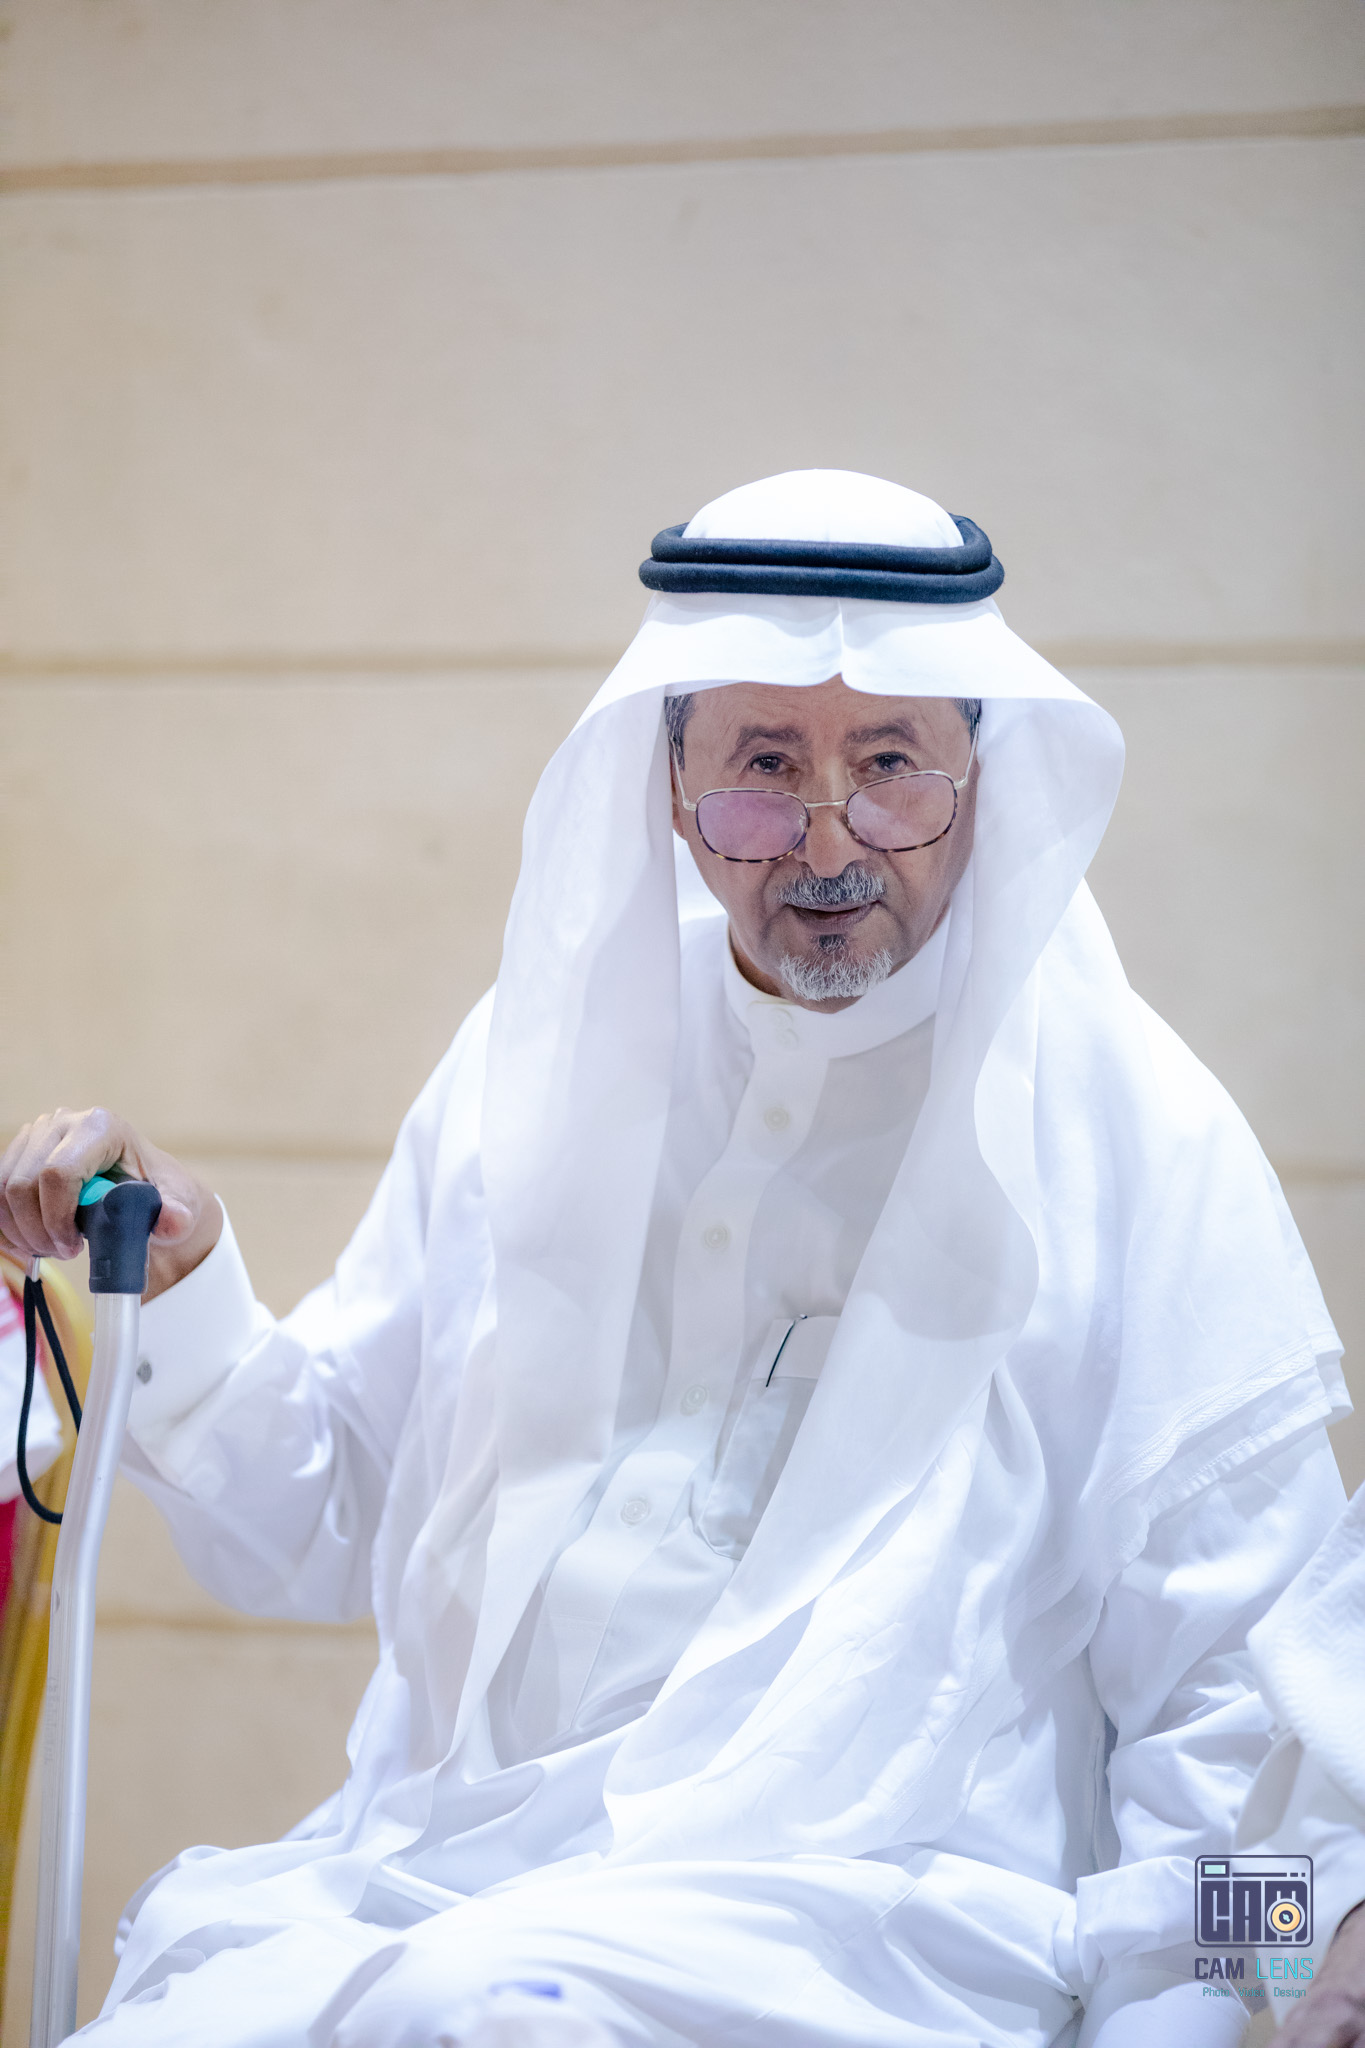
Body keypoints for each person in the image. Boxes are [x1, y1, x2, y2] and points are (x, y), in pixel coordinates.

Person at [0, 470, 1351, 2048]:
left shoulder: (1135, 1130)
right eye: (765, 769)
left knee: (485, 2017)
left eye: (890, 767)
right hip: (431, 1876)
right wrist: (182, 1286)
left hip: (878, 1937)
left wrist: (1191, 2026)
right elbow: (316, 1530)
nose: (830, 841)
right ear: (666, 785)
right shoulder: (541, 1061)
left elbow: (1245, 1714)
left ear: (980, 779)